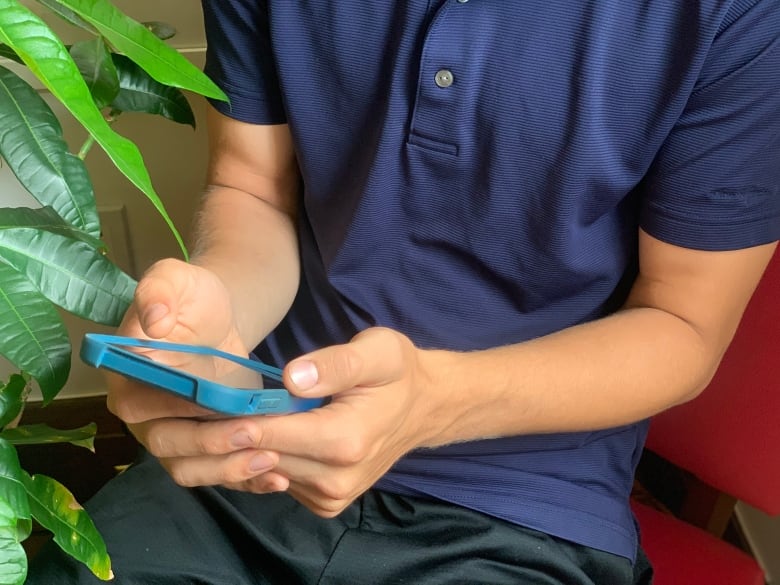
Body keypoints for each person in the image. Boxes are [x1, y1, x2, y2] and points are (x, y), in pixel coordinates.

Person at [28, 2, 780, 584]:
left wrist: (434, 399)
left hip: (527, 502)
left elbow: (684, 322)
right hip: (261, 443)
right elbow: (252, 186)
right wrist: (218, 303)